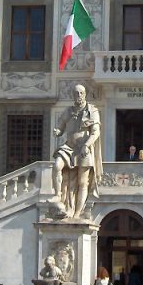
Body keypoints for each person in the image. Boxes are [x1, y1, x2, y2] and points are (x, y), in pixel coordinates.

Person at [51, 84, 103, 219]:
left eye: (81, 93)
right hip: (69, 147)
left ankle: (77, 213)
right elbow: (60, 126)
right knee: (57, 166)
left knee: (82, 182)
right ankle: (57, 194)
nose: (78, 96)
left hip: (84, 149)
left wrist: (87, 145)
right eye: (76, 93)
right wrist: (58, 131)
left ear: (85, 94)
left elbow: (95, 132)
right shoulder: (69, 111)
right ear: (72, 95)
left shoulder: (92, 111)